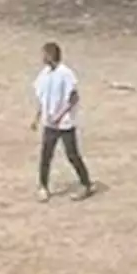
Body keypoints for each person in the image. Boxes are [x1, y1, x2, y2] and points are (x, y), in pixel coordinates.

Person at [31, 42, 95, 202]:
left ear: (51, 55)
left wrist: (60, 116)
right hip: (49, 123)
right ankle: (43, 186)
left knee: (72, 155)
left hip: (64, 124)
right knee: (46, 155)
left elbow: (73, 98)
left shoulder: (66, 73)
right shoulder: (44, 74)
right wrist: (37, 117)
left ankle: (86, 184)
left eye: (44, 54)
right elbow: (42, 97)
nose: (42, 58)